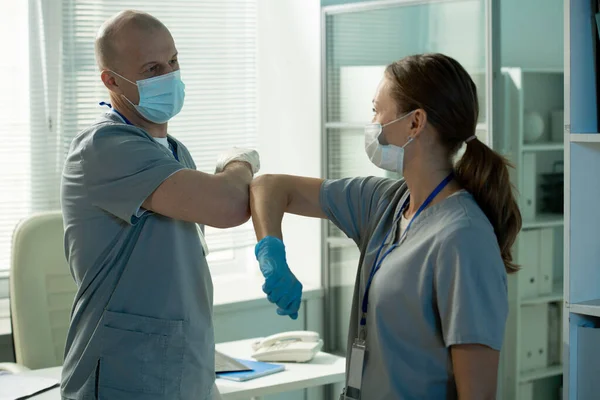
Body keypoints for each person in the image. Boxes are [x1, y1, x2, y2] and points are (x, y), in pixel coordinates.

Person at [250, 53, 522, 399]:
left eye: (378, 111)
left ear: (415, 123)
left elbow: (478, 394)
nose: (373, 123)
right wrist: (271, 254)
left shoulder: (464, 238)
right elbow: (269, 187)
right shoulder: (386, 201)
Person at [60, 10, 259, 400]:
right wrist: (242, 163)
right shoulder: (104, 147)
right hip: (125, 373)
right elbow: (227, 205)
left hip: (184, 368)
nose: (168, 76)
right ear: (111, 80)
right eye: (151, 68)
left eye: (173, 61)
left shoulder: (175, 153)